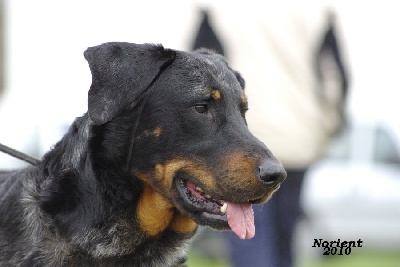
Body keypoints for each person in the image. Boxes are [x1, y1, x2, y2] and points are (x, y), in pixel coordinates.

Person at [191, 2, 349, 267]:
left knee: (247, 234)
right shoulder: (318, 11)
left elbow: (199, 71)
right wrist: (325, 134)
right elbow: (335, 81)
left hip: (241, 139)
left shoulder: (219, 9)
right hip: (300, 139)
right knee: (285, 233)